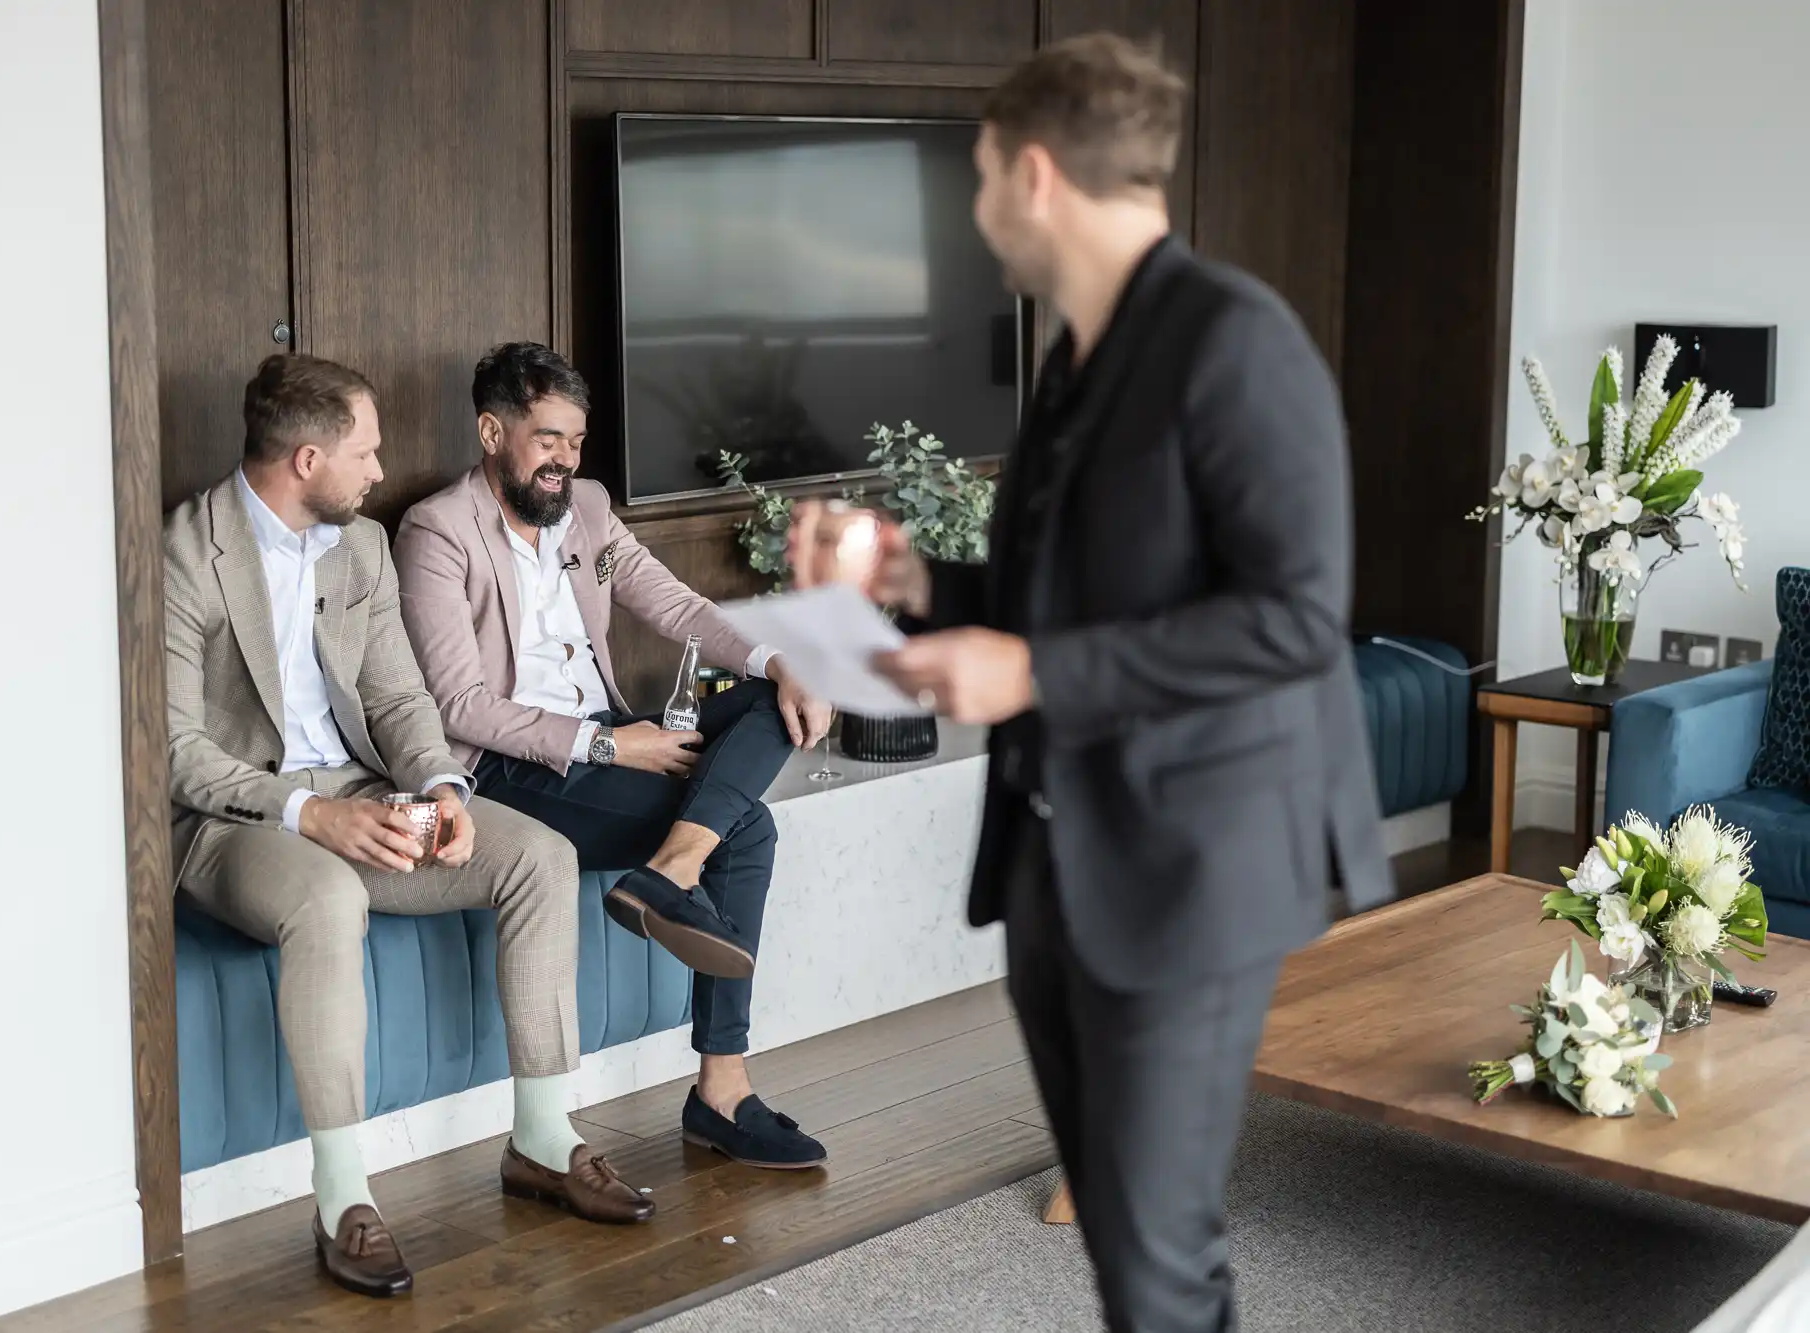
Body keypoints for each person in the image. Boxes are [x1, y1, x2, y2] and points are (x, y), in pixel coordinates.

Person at [791, 33, 1392, 1333]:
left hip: (1192, 865)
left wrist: (1037, 667)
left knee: (1159, 1266)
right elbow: (1063, 603)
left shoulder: (1238, 341)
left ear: (1038, 175)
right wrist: (910, 582)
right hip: (1059, 861)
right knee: (1132, 1252)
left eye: (981, 176)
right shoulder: (1071, 358)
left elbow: (1297, 620)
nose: (975, 209)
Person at [165, 354, 655, 1301]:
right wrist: (316, 814)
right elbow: (178, 752)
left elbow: (397, 694)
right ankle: (343, 1197)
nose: (381, 470)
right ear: (307, 460)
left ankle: (545, 1140)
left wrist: (442, 787)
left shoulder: (359, 547)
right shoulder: (185, 553)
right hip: (236, 819)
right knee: (328, 894)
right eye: (366, 450)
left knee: (538, 858)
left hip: (365, 792)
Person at [392, 342, 833, 1172]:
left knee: (773, 702)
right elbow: (460, 706)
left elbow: (675, 603)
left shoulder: (588, 508)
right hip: (515, 767)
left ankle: (670, 868)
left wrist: (778, 661)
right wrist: (607, 744)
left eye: (576, 441)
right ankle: (721, 1093)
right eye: (547, 439)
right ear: (491, 432)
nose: (565, 460)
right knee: (750, 829)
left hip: (610, 731)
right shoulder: (437, 531)